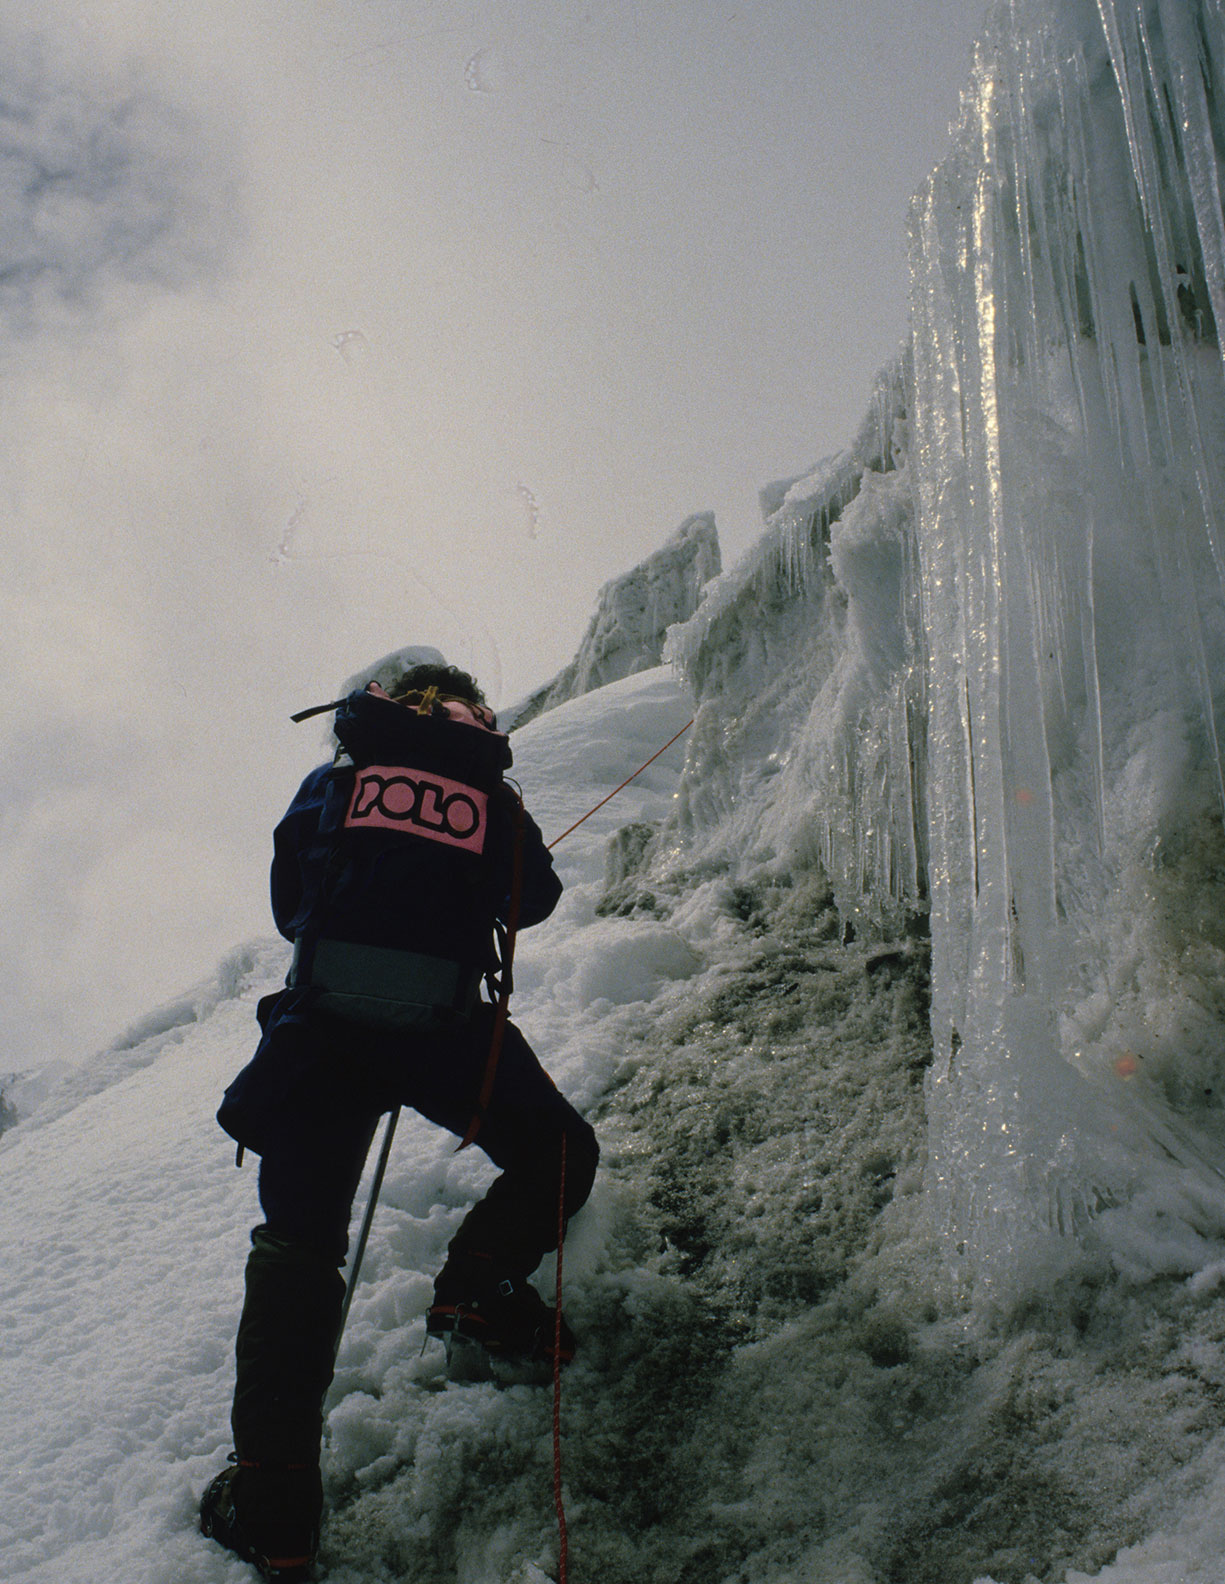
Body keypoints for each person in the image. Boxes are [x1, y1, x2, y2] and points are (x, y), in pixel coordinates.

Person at [198, 659, 598, 1584]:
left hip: (320, 1038)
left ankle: (274, 1517)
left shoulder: (337, 779)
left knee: (298, 1252)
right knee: (558, 1153)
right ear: (470, 716)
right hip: (447, 1034)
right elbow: (530, 900)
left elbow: (291, 902)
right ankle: (478, 1292)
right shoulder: (486, 791)